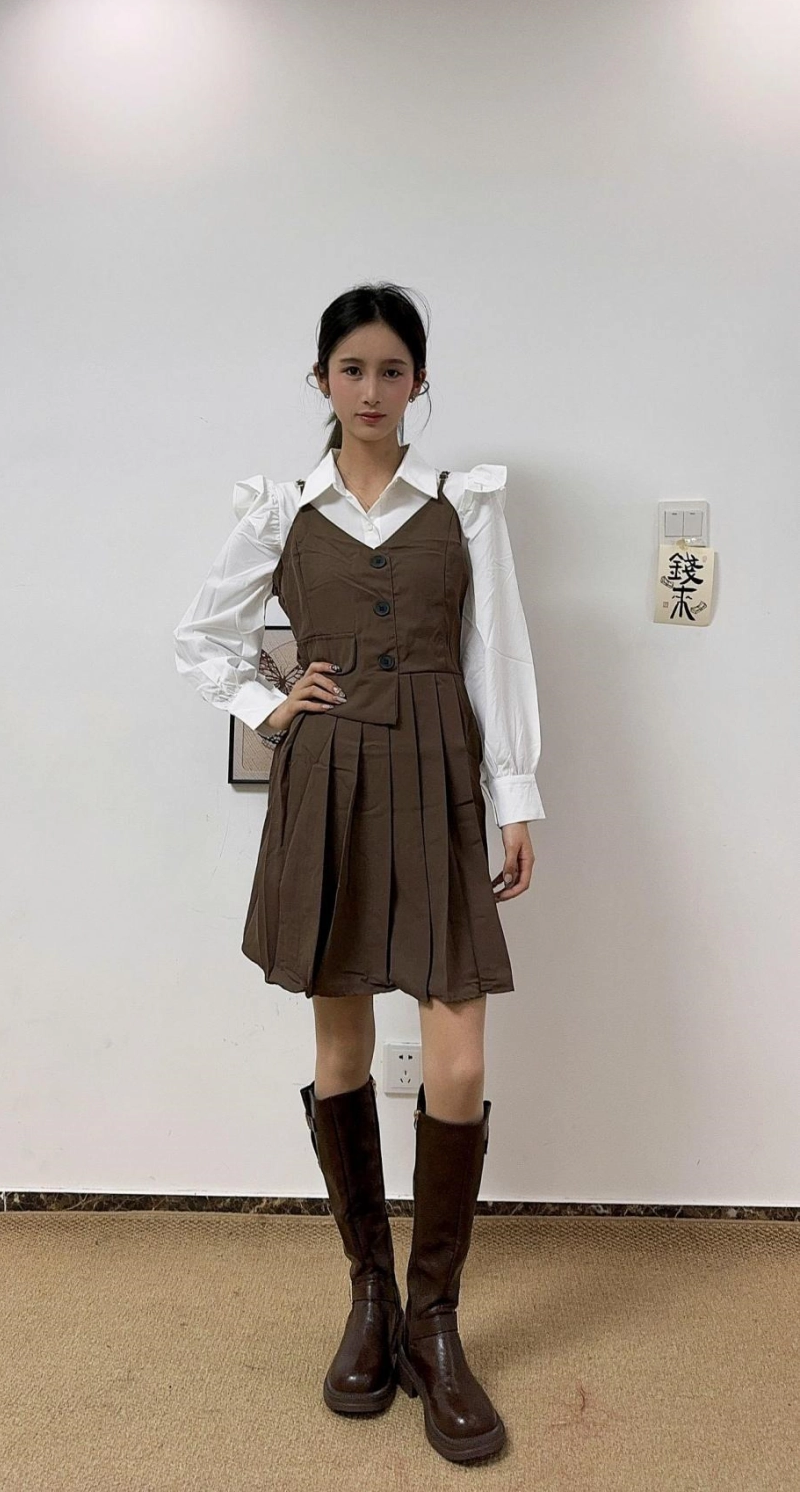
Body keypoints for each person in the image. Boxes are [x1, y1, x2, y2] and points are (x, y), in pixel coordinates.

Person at [173, 282, 545, 1465]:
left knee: (460, 1056)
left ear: (419, 382)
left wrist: (516, 794)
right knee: (340, 1050)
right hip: (328, 778)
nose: (373, 390)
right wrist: (268, 704)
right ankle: (371, 1298)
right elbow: (202, 637)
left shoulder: (464, 505)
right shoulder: (280, 509)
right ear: (322, 380)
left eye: (393, 370)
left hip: (439, 773)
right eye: (352, 369)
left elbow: (497, 652)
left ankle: (436, 1322)